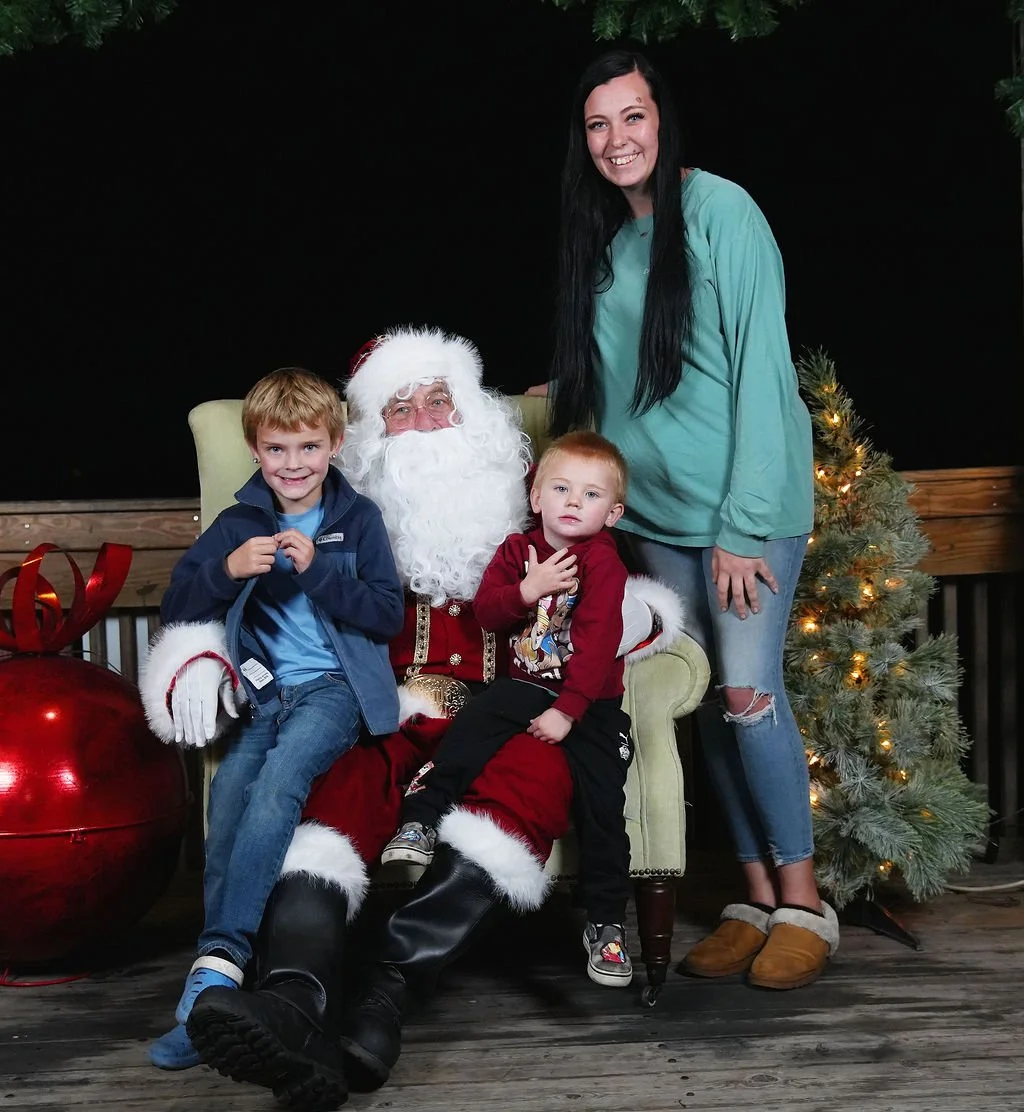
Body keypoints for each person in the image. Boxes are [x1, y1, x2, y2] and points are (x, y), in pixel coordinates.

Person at [139, 326, 682, 1108]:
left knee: (527, 787)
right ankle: (294, 1001)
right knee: (329, 809)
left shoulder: (543, 522)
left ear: (480, 424)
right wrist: (198, 657)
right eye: (401, 409)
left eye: (441, 402)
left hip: (509, 719)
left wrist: (617, 621)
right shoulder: (347, 526)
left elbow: (623, 605)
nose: (426, 424)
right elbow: (252, 606)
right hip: (382, 718)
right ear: (368, 438)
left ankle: (384, 997)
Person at [541, 48, 839, 991]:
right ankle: (752, 899)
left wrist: (746, 526)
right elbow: (606, 394)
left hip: (742, 509)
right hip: (659, 521)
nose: (616, 139)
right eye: (598, 124)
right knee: (704, 699)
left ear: (661, 122)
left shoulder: (721, 212)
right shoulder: (604, 243)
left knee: (750, 694)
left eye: (632, 117)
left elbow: (762, 369)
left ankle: (805, 902)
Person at [144, 366, 406, 1069]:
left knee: (277, 786)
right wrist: (226, 569)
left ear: (335, 445)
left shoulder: (359, 520)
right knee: (227, 799)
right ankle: (219, 995)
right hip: (263, 692)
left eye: (309, 448)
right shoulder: (237, 523)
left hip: (335, 690)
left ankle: (216, 968)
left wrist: (319, 569)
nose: (294, 465)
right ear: (256, 451)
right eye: (278, 450)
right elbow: (178, 609)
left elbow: (385, 614)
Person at [381, 430, 636, 988]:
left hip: (589, 702)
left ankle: (607, 923)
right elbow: (488, 615)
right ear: (537, 496)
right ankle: (424, 819)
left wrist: (568, 712)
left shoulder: (602, 564)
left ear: (612, 513)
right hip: (524, 684)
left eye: (592, 495)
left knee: (602, 807)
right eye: (562, 488)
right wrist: (529, 588)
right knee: (471, 731)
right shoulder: (516, 551)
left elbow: (596, 647)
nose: (574, 502)